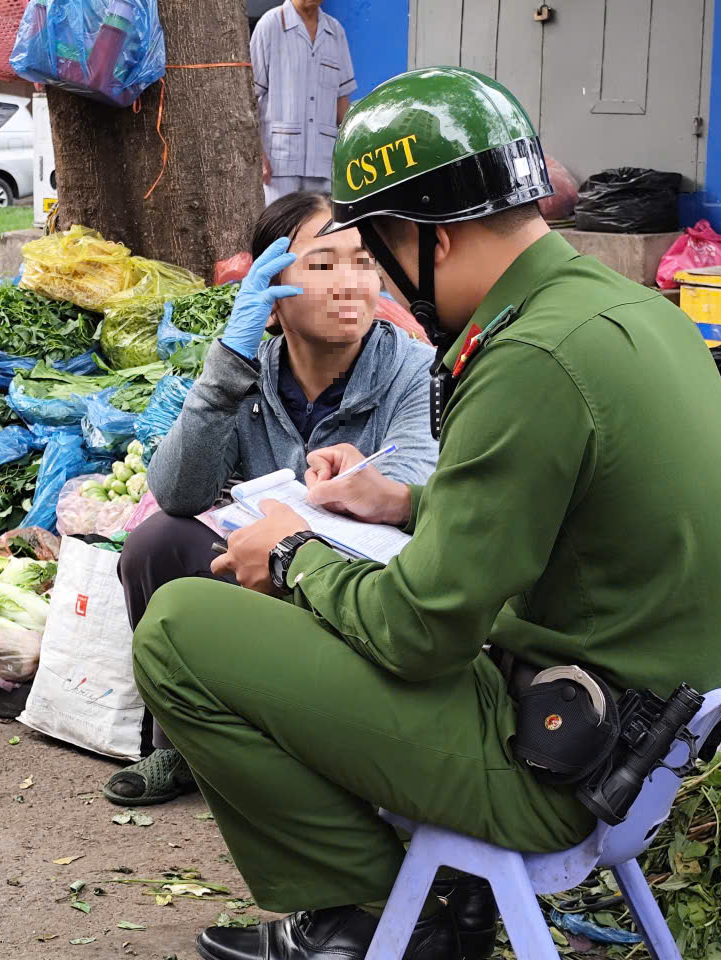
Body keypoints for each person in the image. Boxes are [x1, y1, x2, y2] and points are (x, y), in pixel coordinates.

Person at [131, 66, 721, 960]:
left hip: (554, 764)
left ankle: (377, 915)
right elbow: (570, 510)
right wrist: (407, 501)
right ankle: (416, 904)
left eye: (376, 248)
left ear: (427, 235)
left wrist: (294, 555)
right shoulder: (620, 308)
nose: (376, 282)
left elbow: (420, 632)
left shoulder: (529, 355)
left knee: (180, 626)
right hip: (632, 741)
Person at [103, 190, 439, 809]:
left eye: (364, 260)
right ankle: (174, 745)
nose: (351, 283)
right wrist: (227, 361)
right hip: (262, 567)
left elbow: (418, 473)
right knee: (156, 542)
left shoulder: (413, 368)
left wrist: (358, 488)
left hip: (353, 580)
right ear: (271, 286)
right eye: (322, 264)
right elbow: (179, 491)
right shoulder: (250, 371)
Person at [251, 0, 356, 205]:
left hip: (323, 162)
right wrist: (258, 152)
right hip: (279, 164)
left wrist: (350, 155)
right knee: (280, 233)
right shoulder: (270, 25)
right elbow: (250, 96)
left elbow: (341, 101)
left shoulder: (335, 32)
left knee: (320, 234)